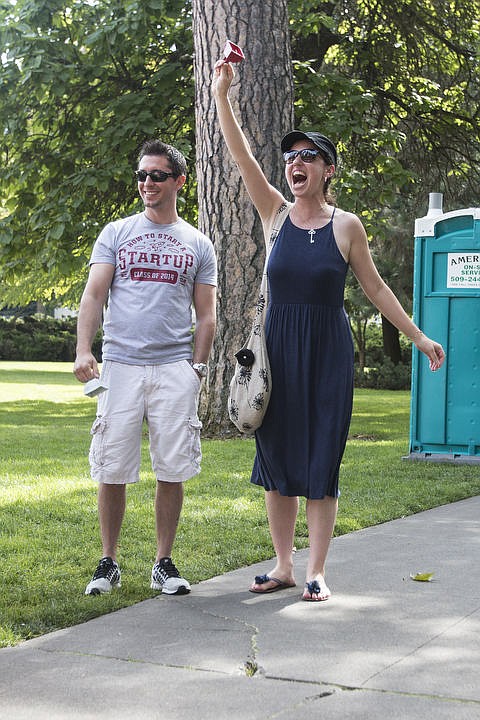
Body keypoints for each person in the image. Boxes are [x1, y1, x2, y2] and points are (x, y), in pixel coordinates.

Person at [212, 60, 445, 602]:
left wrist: (419, 337)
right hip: (276, 353)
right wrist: (223, 92)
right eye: (291, 157)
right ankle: (284, 564)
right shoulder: (273, 214)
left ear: (328, 170)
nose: (296, 163)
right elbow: (241, 154)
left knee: (320, 455)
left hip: (327, 353)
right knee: (275, 457)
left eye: (307, 157)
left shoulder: (346, 226)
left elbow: (378, 290)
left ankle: (317, 570)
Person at [74, 139, 217, 596]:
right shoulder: (116, 233)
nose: (147, 183)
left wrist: (196, 368)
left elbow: (208, 314)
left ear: (178, 181)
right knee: (112, 467)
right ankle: (109, 562)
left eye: (157, 175)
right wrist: (83, 349)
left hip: (174, 368)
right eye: (141, 175)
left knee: (171, 468)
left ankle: (163, 563)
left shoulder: (197, 243)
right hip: (121, 367)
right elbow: (94, 295)